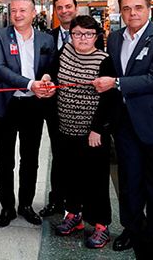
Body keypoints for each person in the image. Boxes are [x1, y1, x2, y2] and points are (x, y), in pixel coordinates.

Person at [92, 0, 153, 260]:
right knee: (129, 181)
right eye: (126, 8)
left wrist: (116, 83)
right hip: (126, 123)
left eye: (138, 7)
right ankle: (132, 228)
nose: (132, 13)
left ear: (149, 9)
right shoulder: (116, 38)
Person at [47, 16, 118, 249]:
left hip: (91, 134)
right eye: (77, 33)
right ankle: (74, 214)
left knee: (95, 180)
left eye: (88, 34)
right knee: (70, 175)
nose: (82, 38)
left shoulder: (104, 60)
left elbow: (109, 99)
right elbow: (52, 73)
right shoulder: (65, 51)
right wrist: (47, 79)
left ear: (96, 36)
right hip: (65, 129)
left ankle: (101, 225)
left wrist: (97, 129)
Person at [0, 0, 56, 228]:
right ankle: (7, 206)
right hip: (6, 105)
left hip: (34, 106)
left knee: (30, 158)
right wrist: (30, 84)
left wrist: (47, 80)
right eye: (13, 10)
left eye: (23, 10)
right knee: (4, 160)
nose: (17, 15)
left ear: (33, 13)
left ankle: (26, 204)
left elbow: (51, 68)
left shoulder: (46, 39)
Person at [41, 0, 105, 218]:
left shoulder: (95, 39)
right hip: (57, 110)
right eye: (59, 7)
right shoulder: (49, 37)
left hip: (86, 115)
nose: (64, 11)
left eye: (68, 6)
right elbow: (49, 68)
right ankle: (58, 201)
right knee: (60, 158)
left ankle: (84, 209)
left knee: (85, 164)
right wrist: (46, 78)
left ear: (75, 8)